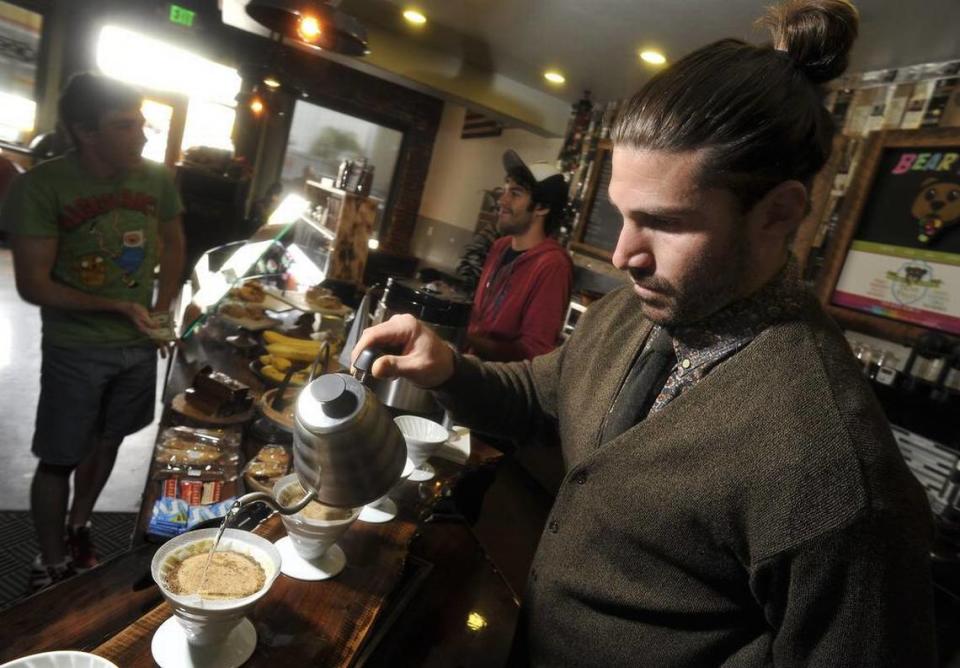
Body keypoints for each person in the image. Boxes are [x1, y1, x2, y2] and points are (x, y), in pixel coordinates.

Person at [353, 1, 937, 664]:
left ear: (778, 215)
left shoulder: (834, 469)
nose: (624, 253)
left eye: (665, 222)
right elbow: (540, 394)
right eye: (621, 215)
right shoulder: (633, 311)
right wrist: (449, 368)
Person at [3, 73, 185, 591]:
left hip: (136, 346)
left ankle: (80, 524)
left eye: (141, 122)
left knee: (108, 440)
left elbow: (173, 242)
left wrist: (163, 306)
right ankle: (50, 561)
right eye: (126, 125)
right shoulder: (39, 187)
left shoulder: (155, 179)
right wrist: (119, 306)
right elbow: (34, 285)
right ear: (85, 131)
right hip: (76, 349)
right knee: (59, 456)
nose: (143, 135)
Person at [465, 150, 573, 362]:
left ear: (542, 208)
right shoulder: (500, 247)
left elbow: (536, 353)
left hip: (498, 388)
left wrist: (466, 339)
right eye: (505, 190)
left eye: (515, 194)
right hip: (470, 371)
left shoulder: (553, 265)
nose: (502, 201)